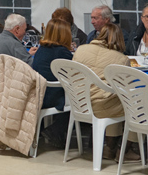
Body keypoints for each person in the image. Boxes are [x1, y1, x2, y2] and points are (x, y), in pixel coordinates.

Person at [72, 24, 137, 160]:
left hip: (79, 102)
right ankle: (125, 150)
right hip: (101, 106)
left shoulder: (81, 50)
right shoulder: (121, 59)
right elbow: (126, 85)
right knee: (132, 102)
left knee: (113, 98)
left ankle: (109, 148)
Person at [32, 20, 73, 109]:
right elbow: (73, 74)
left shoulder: (41, 49)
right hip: (53, 96)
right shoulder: (61, 52)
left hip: (39, 93)